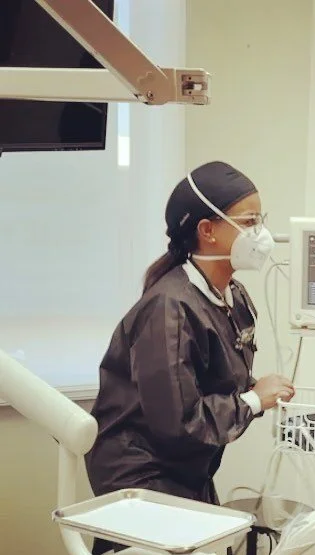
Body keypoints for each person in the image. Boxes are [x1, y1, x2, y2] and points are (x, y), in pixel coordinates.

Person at [86, 160, 294, 512]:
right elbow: (179, 423)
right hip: (140, 476)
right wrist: (254, 401)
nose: (261, 234)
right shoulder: (168, 309)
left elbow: (214, 378)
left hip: (187, 468)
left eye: (261, 220)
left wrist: (258, 390)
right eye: (249, 222)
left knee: (217, 545)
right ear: (207, 230)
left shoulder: (233, 297)